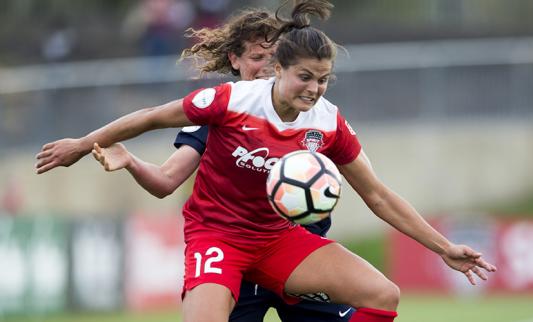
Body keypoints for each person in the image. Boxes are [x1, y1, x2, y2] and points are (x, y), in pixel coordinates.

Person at [36, 1, 496, 321]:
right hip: (217, 236)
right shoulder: (229, 101)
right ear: (278, 69)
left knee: (383, 296)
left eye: (323, 79)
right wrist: (82, 144)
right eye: (304, 77)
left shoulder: (328, 123)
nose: (314, 89)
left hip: (278, 240)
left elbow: (377, 196)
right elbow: (152, 117)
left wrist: (442, 247)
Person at [92, 7, 354, 322]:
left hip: (298, 260)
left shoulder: (317, 117)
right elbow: (166, 179)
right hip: (239, 269)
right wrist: (131, 161)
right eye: (257, 58)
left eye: (274, 58)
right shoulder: (219, 113)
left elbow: (373, 189)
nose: (266, 68)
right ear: (235, 60)